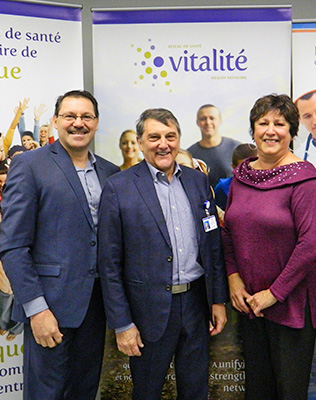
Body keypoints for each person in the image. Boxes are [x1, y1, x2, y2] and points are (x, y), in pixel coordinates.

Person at [98, 108, 228, 400]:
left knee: (196, 390)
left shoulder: (197, 182)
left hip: (196, 304)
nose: (163, 144)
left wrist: (217, 300)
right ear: (141, 142)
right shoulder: (119, 187)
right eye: (154, 137)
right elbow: (109, 264)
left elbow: (212, 246)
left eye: (170, 136)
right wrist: (122, 323)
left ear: (179, 139)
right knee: (147, 391)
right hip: (148, 311)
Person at [0, 90, 119, 400]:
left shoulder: (110, 172)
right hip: (50, 307)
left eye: (86, 117)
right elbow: (13, 246)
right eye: (70, 116)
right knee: (46, 394)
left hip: (96, 308)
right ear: (55, 121)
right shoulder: (29, 165)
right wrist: (37, 310)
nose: (78, 123)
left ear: (95, 123)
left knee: (84, 390)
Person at [222, 94, 316, 400]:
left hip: (290, 306)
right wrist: (233, 278)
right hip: (251, 304)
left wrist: (273, 294)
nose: (270, 130)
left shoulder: (305, 179)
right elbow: (229, 231)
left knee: (288, 393)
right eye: (262, 123)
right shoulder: (242, 176)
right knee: (258, 391)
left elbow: (311, 245)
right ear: (252, 130)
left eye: (279, 124)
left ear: (292, 132)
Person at [187, 104, 240, 186]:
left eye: (212, 118)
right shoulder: (189, 155)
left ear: (219, 121)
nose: (208, 122)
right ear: (197, 122)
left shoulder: (236, 148)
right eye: (203, 119)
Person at [213, 143, 257, 210]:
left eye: (254, 167)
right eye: (243, 169)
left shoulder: (272, 184)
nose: (249, 172)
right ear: (234, 168)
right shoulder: (224, 187)